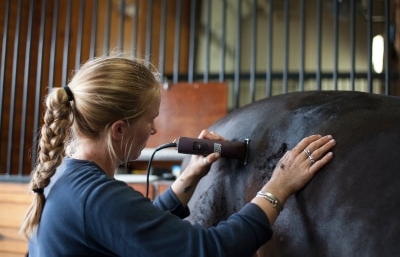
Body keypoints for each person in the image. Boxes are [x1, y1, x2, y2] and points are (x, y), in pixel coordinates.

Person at [21, 56, 336, 256]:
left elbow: (135, 230)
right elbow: (209, 250)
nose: (154, 131)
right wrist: (279, 186)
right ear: (118, 130)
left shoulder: (65, 175)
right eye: (149, 119)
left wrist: (188, 178)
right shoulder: (95, 197)